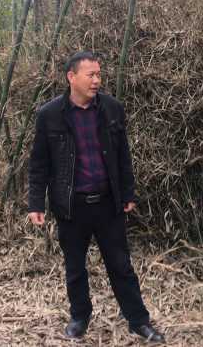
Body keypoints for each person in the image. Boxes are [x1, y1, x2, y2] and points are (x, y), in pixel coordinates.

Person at [26, 51, 164, 343]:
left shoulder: (111, 109)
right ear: (71, 77)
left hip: (107, 202)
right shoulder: (50, 115)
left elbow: (123, 156)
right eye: (91, 75)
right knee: (75, 267)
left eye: (99, 74)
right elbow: (39, 164)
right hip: (71, 205)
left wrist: (127, 191)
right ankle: (79, 318)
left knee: (121, 266)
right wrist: (36, 203)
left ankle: (138, 321)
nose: (97, 80)